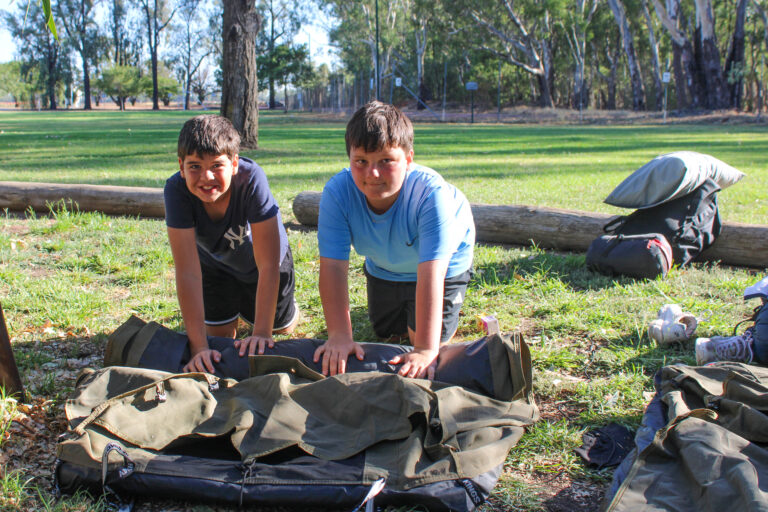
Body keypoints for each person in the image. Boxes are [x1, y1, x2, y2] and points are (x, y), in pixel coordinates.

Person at [314, 101, 475, 379]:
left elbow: (432, 272)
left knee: (417, 340)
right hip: (385, 266)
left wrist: (425, 349)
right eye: (361, 161)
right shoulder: (337, 193)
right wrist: (339, 335)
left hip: (442, 266)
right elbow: (333, 267)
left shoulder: (431, 193)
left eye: (386, 161)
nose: (372, 174)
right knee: (386, 333)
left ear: (408, 159)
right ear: (349, 158)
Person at [164, 114, 298, 373]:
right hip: (215, 265)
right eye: (194, 166)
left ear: (234, 163)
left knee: (281, 329)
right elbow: (188, 272)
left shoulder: (251, 179)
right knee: (218, 337)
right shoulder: (175, 190)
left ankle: (286, 310)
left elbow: (268, 265)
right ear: (181, 166)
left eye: (216, 165)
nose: (206, 177)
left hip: (263, 264)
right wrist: (199, 347)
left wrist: (261, 333)